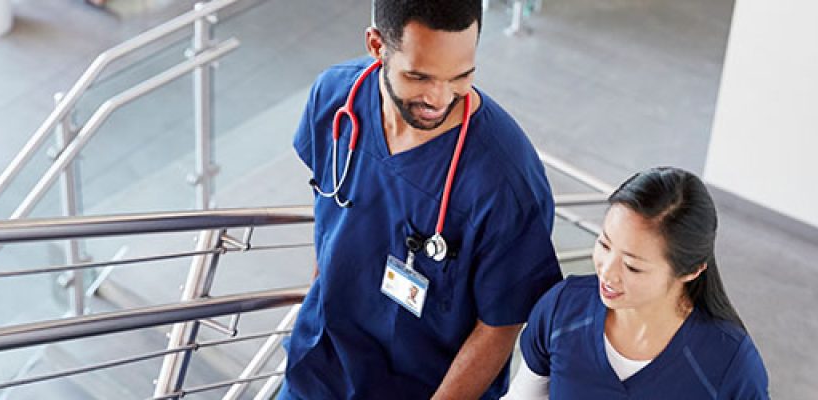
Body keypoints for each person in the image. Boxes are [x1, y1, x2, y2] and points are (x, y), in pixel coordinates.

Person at [282, 1, 562, 398]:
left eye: (460, 77)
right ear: (376, 46)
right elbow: (330, 213)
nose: (439, 98)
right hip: (317, 372)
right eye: (419, 76)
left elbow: (498, 327)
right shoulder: (335, 97)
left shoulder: (504, 181)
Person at [507, 167, 769, 399]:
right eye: (604, 244)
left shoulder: (729, 365)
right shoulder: (563, 309)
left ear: (691, 271)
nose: (607, 272)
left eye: (632, 267)